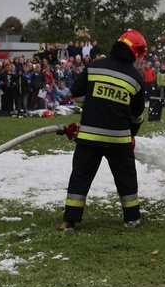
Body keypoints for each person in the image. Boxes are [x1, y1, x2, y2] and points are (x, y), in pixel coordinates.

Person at [60, 29, 147, 232]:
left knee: (80, 176)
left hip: (89, 136)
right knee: (126, 178)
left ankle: (70, 221)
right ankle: (132, 219)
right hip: (119, 140)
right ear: (135, 53)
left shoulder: (95, 66)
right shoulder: (135, 78)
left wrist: (92, 109)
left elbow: (77, 93)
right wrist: (131, 133)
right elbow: (137, 115)